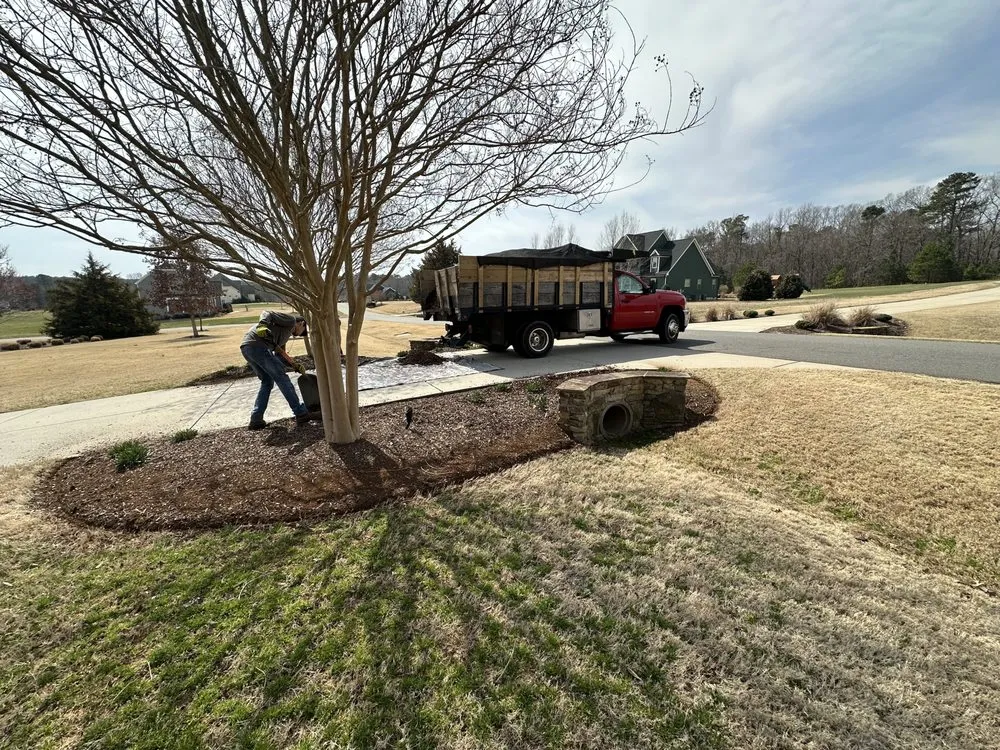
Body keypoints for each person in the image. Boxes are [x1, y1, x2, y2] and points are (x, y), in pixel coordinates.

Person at [240, 311, 318, 430]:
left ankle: (256, 419)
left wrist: (294, 365)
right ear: (301, 323)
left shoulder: (283, 337)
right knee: (282, 379)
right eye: (303, 332)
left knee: (267, 382)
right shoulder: (291, 320)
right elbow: (268, 313)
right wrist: (262, 325)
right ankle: (301, 413)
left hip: (247, 348)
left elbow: (280, 355)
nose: (301, 335)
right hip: (259, 346)